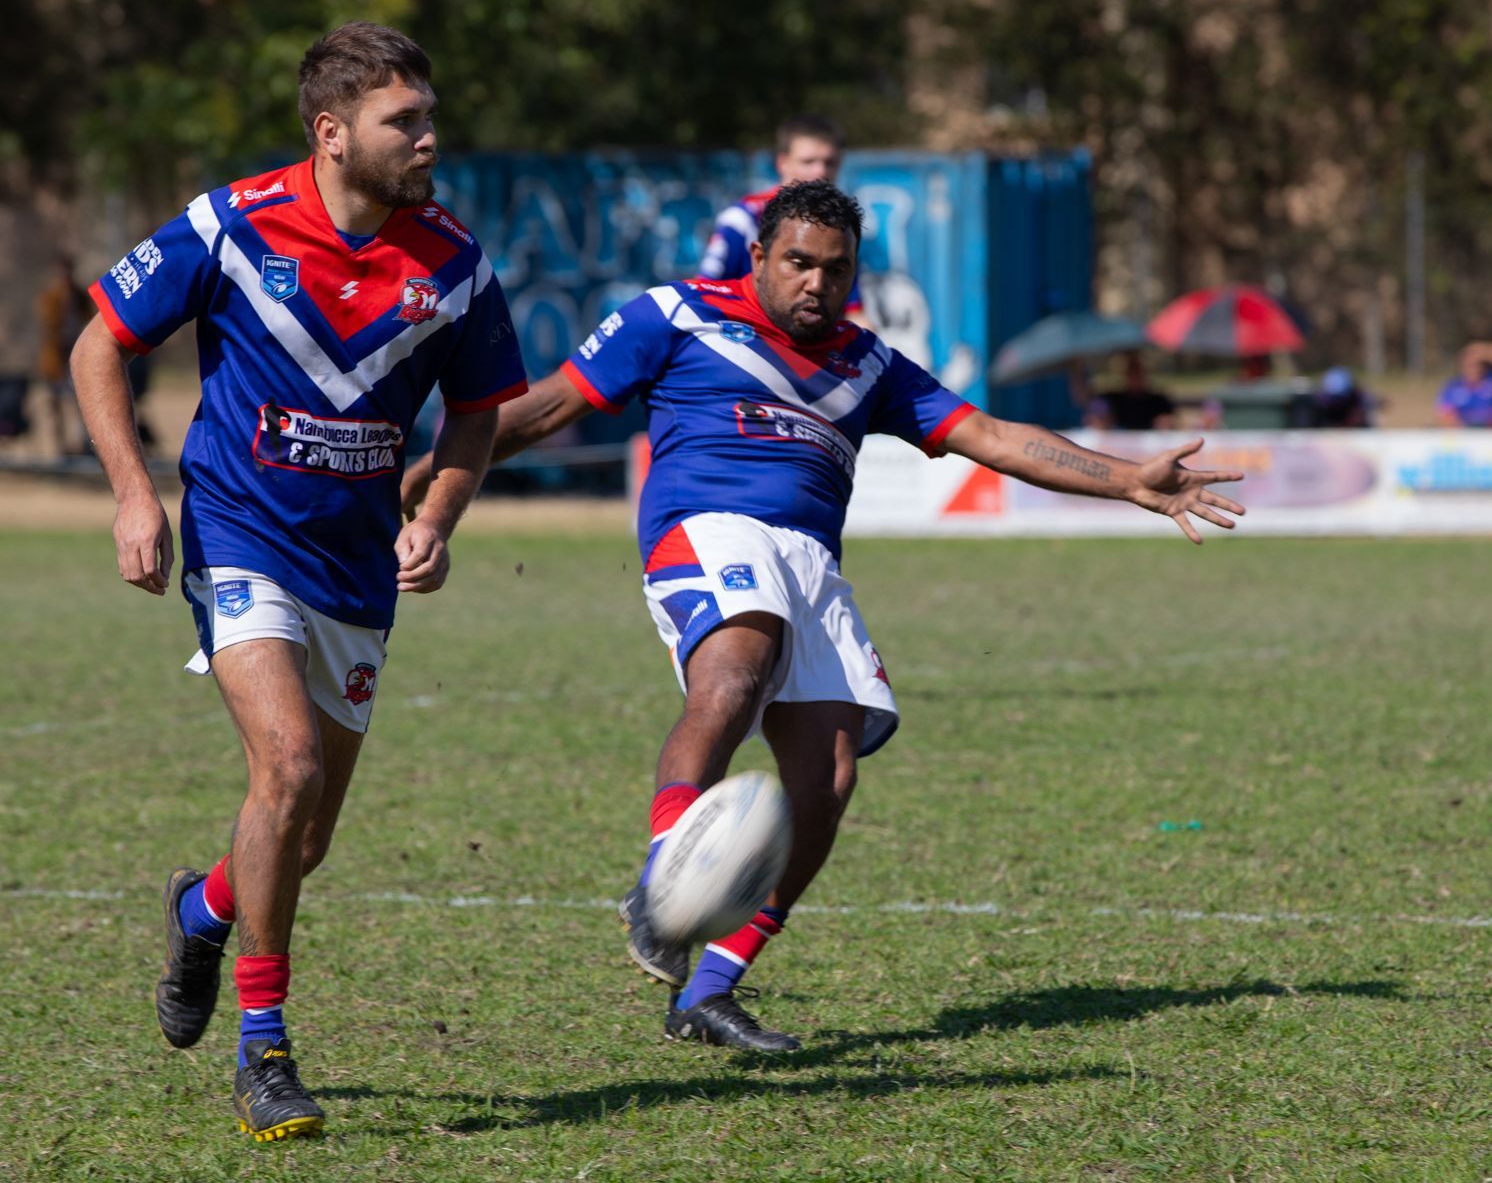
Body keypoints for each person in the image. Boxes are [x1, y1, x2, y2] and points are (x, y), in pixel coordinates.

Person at [402, 181, 1243, 1052]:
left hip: (812, 562)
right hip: (708, 529)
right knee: (734, 670)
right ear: (760, 257)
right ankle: (664, 879)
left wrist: (1129, 476)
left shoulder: (871, 364)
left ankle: (711, 990)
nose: (815, 283)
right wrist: (433, 471)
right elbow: (549, 405)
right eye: (798, 262)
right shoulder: (676, 315)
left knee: (828, 778)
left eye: (835, 271)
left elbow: (990, 436)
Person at [71, 21, 526, 1141]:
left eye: (427, 116)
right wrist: (134, 494)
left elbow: (480, 412)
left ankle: (202, 907)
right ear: (330, 134)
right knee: (288, 765)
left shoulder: (453, 263)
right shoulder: (229, 226)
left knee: (302, 832)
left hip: (355, 567)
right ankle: (264, 1052)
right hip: (237, 537)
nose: (427, 137)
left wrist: (437, 513)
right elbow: (98, 344)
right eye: (402, 122)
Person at [699, 114, 867, 325]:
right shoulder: (743, 219)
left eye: (829, 163)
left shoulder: (840, 227)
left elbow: (855, 312)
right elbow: (704, 293)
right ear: (783, 163)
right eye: (809, 162)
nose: (820, 171)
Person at [35, 253, 91, 456]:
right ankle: (57, 449)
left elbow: (88, 318)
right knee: (54, 404)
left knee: (79, 403)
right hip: (56, 359)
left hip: (76, 355)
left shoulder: (79, 295)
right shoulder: (51, 296)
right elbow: (48, 324)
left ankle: (82, 445)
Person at [1086, 352, 1176, 431]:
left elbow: (1171, 422)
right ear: (1125, 376)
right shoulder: (1112, 399)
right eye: (1132, 373)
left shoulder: (1159, 400)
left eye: (1139, 373)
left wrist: (1166, 423)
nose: (1136, 377)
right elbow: (1096, 417)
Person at [1436, 341, 1492, 427]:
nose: (1475, 369)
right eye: (1470, 365)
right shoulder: (1453, 387)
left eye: (1479, 364)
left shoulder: (1489, 382)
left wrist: (1484, 351)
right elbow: (1445, 413)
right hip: (1463, 434)